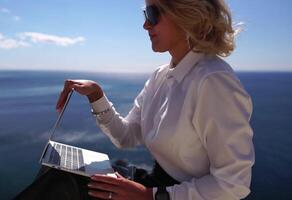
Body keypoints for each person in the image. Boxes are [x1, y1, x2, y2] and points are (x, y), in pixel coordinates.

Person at [56, 0, 255, 199]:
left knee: (62, 187)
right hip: (157, 185)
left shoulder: (213, 82)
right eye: (146, 14)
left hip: (170, 193)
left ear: (186, 15)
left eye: (152, 14)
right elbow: (126, 136)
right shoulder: (160, 77)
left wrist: (150, 196)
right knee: (63, 175)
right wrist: (96, 95)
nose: (146, 25)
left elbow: (234, 184)